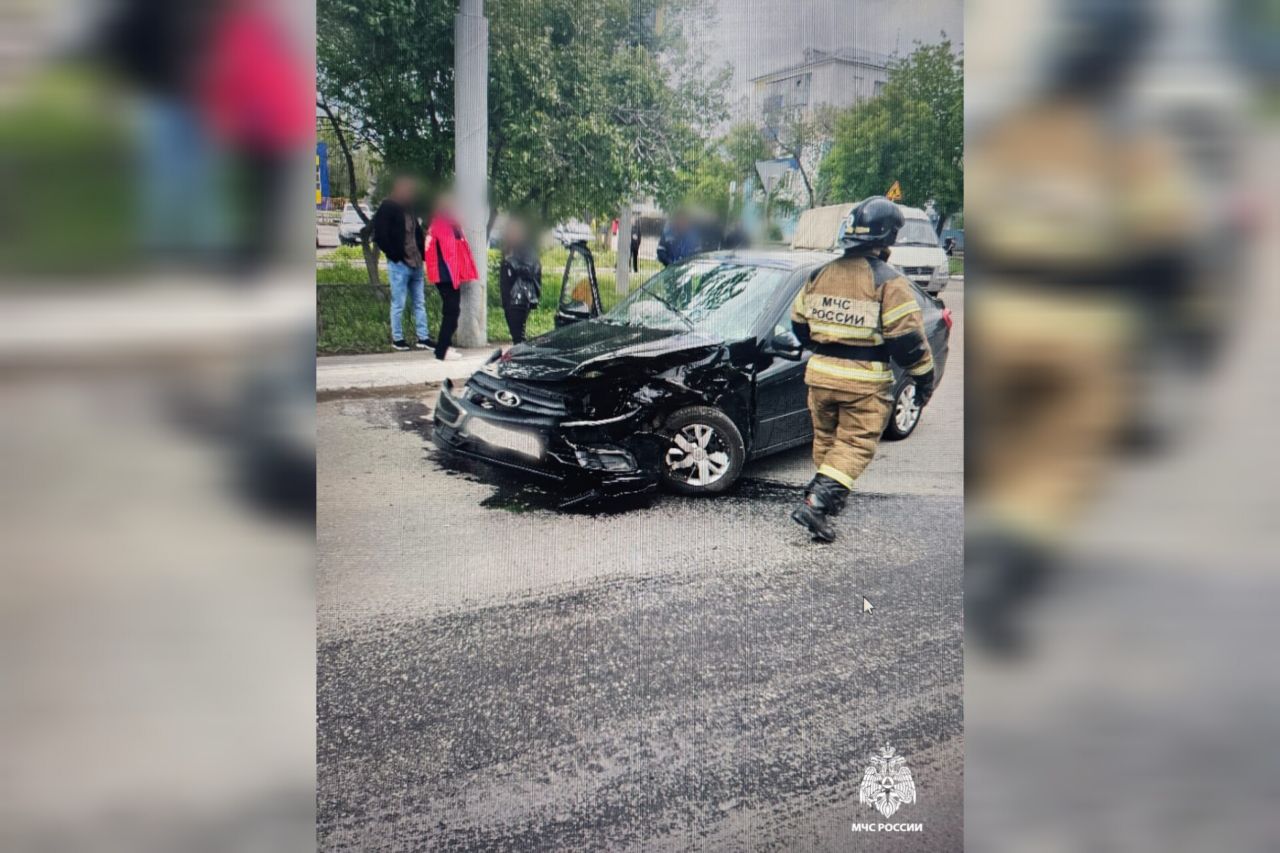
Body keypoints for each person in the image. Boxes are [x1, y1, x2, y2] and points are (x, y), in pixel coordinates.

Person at [965, 0, 1193, 651]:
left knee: (1001, 447)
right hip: (1085, 331)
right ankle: (1003, 580)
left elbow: (978, 231)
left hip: (1006, 316)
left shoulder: (1013, 127)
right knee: (1058, 466)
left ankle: (979, 540)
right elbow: (1166, 257)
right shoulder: (1132, 143)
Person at [789, 196, 936, 543]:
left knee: (828, 442)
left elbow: (798, 325)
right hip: (863, 382)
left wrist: (827, 348)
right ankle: (817, 504)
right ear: (889, 237)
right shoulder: (888, 282)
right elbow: (907, 341)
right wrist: (923, 378)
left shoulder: (820, 274)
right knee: (855, 445)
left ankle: (823, 500)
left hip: (820, 376)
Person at [371, 176, 430, 351]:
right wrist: (394, 255)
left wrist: (422, 254)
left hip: (416, 263)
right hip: (400, 264)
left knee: (419, 302)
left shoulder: (409, 208)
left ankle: (423, 337)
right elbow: (380, 235)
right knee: (399, 303)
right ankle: (398, 338)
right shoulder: (387, 207)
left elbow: (416, 233)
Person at [425, 194, 480, 361]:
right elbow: (450, 254)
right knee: (451, 313)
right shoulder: (444, 225)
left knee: (451, 312)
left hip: (446, 276)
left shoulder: (445, 224)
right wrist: (457, 276)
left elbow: (459, 251)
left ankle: (444, 347)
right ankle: (442, 350)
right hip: (446, 277)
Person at [499, 219, 542, 344]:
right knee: (516, 335)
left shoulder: (526, 249)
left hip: (519, 298)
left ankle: (522, 359)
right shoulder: (511, 248)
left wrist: (512, 263)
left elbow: (531, 270)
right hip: (510, 297)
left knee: (518, 336)